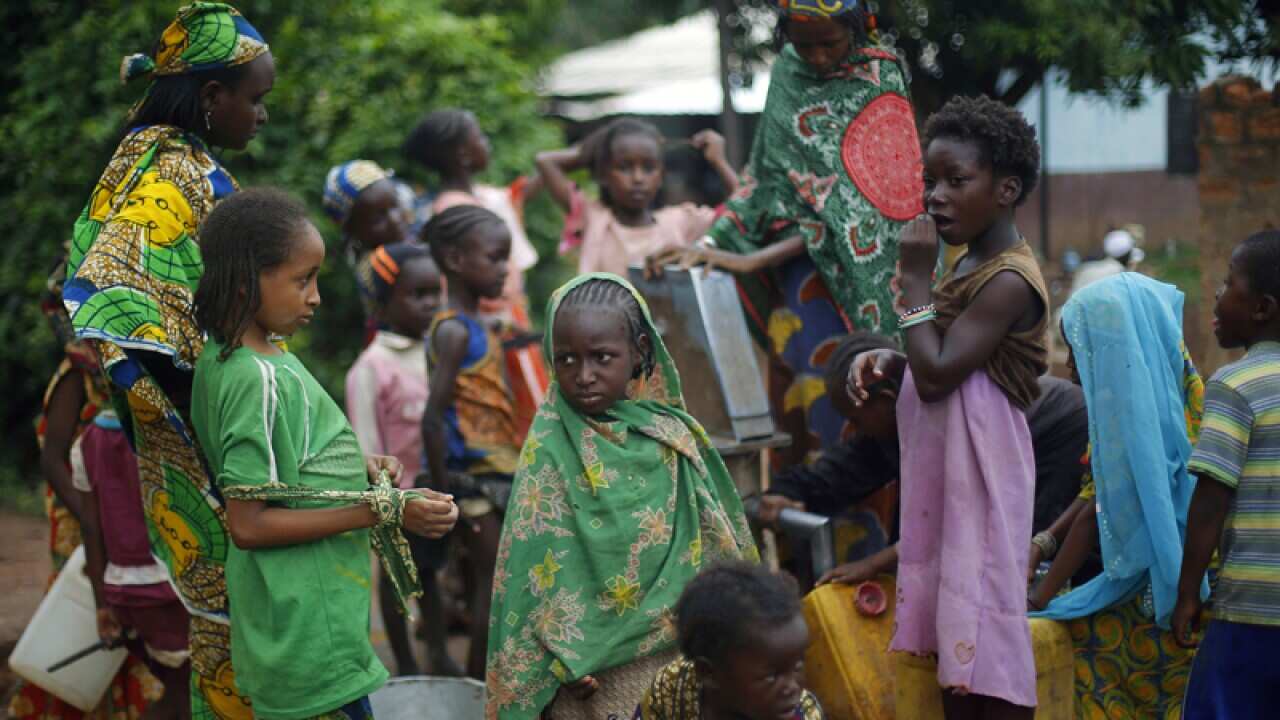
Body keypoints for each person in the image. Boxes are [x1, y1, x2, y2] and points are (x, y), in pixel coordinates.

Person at [60, 4, 275, 716]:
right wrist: (202, 403)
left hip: (197, 429)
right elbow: (115, 285)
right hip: (199, 438)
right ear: (213, 98)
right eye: (256, 100)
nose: (262, 116)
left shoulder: (147, 156)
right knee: (227, 641)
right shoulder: (169, 170)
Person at [189, 188, 459, 718]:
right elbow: (249, 522)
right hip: (308, 624)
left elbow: (285, 463)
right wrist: (384, 508)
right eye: (301, 280)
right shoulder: (256, 377)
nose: (314, 297)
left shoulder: (243, 357)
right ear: (248, 281)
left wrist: (356, 467)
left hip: (308, 611)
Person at [650, 0, 923, 466]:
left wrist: (749, 261)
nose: (816, 56)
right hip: (795, 289)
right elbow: (764, 185)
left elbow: (873, 212)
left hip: (860, 301)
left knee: (857, 417)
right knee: (800, 412)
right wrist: (708, 245)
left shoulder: (882, 79)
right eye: (803, 44)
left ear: (857, 28)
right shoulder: (788, 75)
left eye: (829, 43)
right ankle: (799, 522)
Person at [849, 95, 1048, 719]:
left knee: (986, 617)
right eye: (929, 181)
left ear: (1006, 189)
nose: (935, 196)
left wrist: (912, 284)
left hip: (984, 465)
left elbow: (941, 377)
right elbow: (942, 360)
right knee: (956, 625)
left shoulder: (1010, 279)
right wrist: (895, 359)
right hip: (953, 464)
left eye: (956, 181)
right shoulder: (972, 262)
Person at [485, 274, 758, 720]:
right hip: (586, 672)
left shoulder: (674, 437)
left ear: (639, 354)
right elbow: (530, 568)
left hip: (676, 654)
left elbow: (717, 544)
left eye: (602, 357)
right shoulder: (550, 446)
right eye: (566, 360)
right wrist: (559, 661)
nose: (583, 375)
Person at [756, 334, 1088, 589]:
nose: (853, 431)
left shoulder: (941, 415)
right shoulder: (891, 429)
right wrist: (787, 494)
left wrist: (873, 564)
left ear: (886, 399)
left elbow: (952, 518)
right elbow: (841, 471)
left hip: (1058, 443)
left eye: (855, 420)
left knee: (1020, 561)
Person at [1024, 273, 1207, 718]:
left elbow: (1095, 512)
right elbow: (1094, 493)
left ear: (1114, 347)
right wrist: (1044, 541)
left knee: (1087, 659)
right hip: (1181, 585)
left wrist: (1037, 599)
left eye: (1079, 349)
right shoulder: (1179, 388)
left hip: (1175, 598)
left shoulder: (1136, 417)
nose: (1068, 366)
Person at [8, 305, 156, 720]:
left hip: (126, 514)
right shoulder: (77, 372)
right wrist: (97, 518)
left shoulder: (137, 365)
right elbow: (53, 459)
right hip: (82, 515)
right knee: (80, 614)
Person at [1174, 230, 1280, 717]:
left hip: (1250, 610)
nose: (1218, 293)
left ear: (1261, 308)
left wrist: (1187, 594)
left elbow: (1210, 500)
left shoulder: (1235, 385)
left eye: (1228, 282)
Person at [344, 241, 460, 678]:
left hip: (434, 492)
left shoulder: (440, 351)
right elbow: (367, 444)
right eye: (418, 294)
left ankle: (438, 652)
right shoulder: (372, 368)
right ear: (384, 301)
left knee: (429, 576)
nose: (431, 303)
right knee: (396, 581)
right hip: (398, 499)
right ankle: (408, 665)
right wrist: (386, 502)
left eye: (436, 291)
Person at [420, 205, 524, 679]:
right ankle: (481, 691)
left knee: (497, 585)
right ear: (457, 260)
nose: (505, 269)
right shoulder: (456, 332)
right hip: (475, 483)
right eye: (496, 258)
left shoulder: (477, 325)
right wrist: (448, 498)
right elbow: (431, 418)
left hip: (496, 472)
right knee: (492, 589)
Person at [403, 109, 549, 434]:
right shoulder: (454, 209)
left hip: (508, 323)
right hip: (494, 327)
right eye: (479, 137)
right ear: (462, 154)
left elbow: (518, 194)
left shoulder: (481, 197)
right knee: (526, 420)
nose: (487, 143)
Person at [75, 404, 193, 720]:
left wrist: (102, 604)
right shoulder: (167, 428)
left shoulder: (88, 440)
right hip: (175, 588)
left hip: (125, 591)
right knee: (190, 695)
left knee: (177, 690)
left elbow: (90, 527)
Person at [536, 119, 735, 278]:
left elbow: (741, 211)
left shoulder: (680, 222)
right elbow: (545, 161)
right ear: (604, 174)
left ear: (661, 176)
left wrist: (719, 161)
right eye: (623, 167)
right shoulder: (593, 219)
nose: (638, 178)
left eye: (648, 168)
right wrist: (595, 149)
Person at [636, 562, 823, 720]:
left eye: (797, 666)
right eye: (771, 677)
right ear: (708, 672)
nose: (792, 688)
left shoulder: (803, 714)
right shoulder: (672, 686)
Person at [322, 159, 414, 334]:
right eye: (377, 218)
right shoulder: (379, 263)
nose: (394, 220)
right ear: (353, 230)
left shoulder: (407, 245)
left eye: (394, 205)